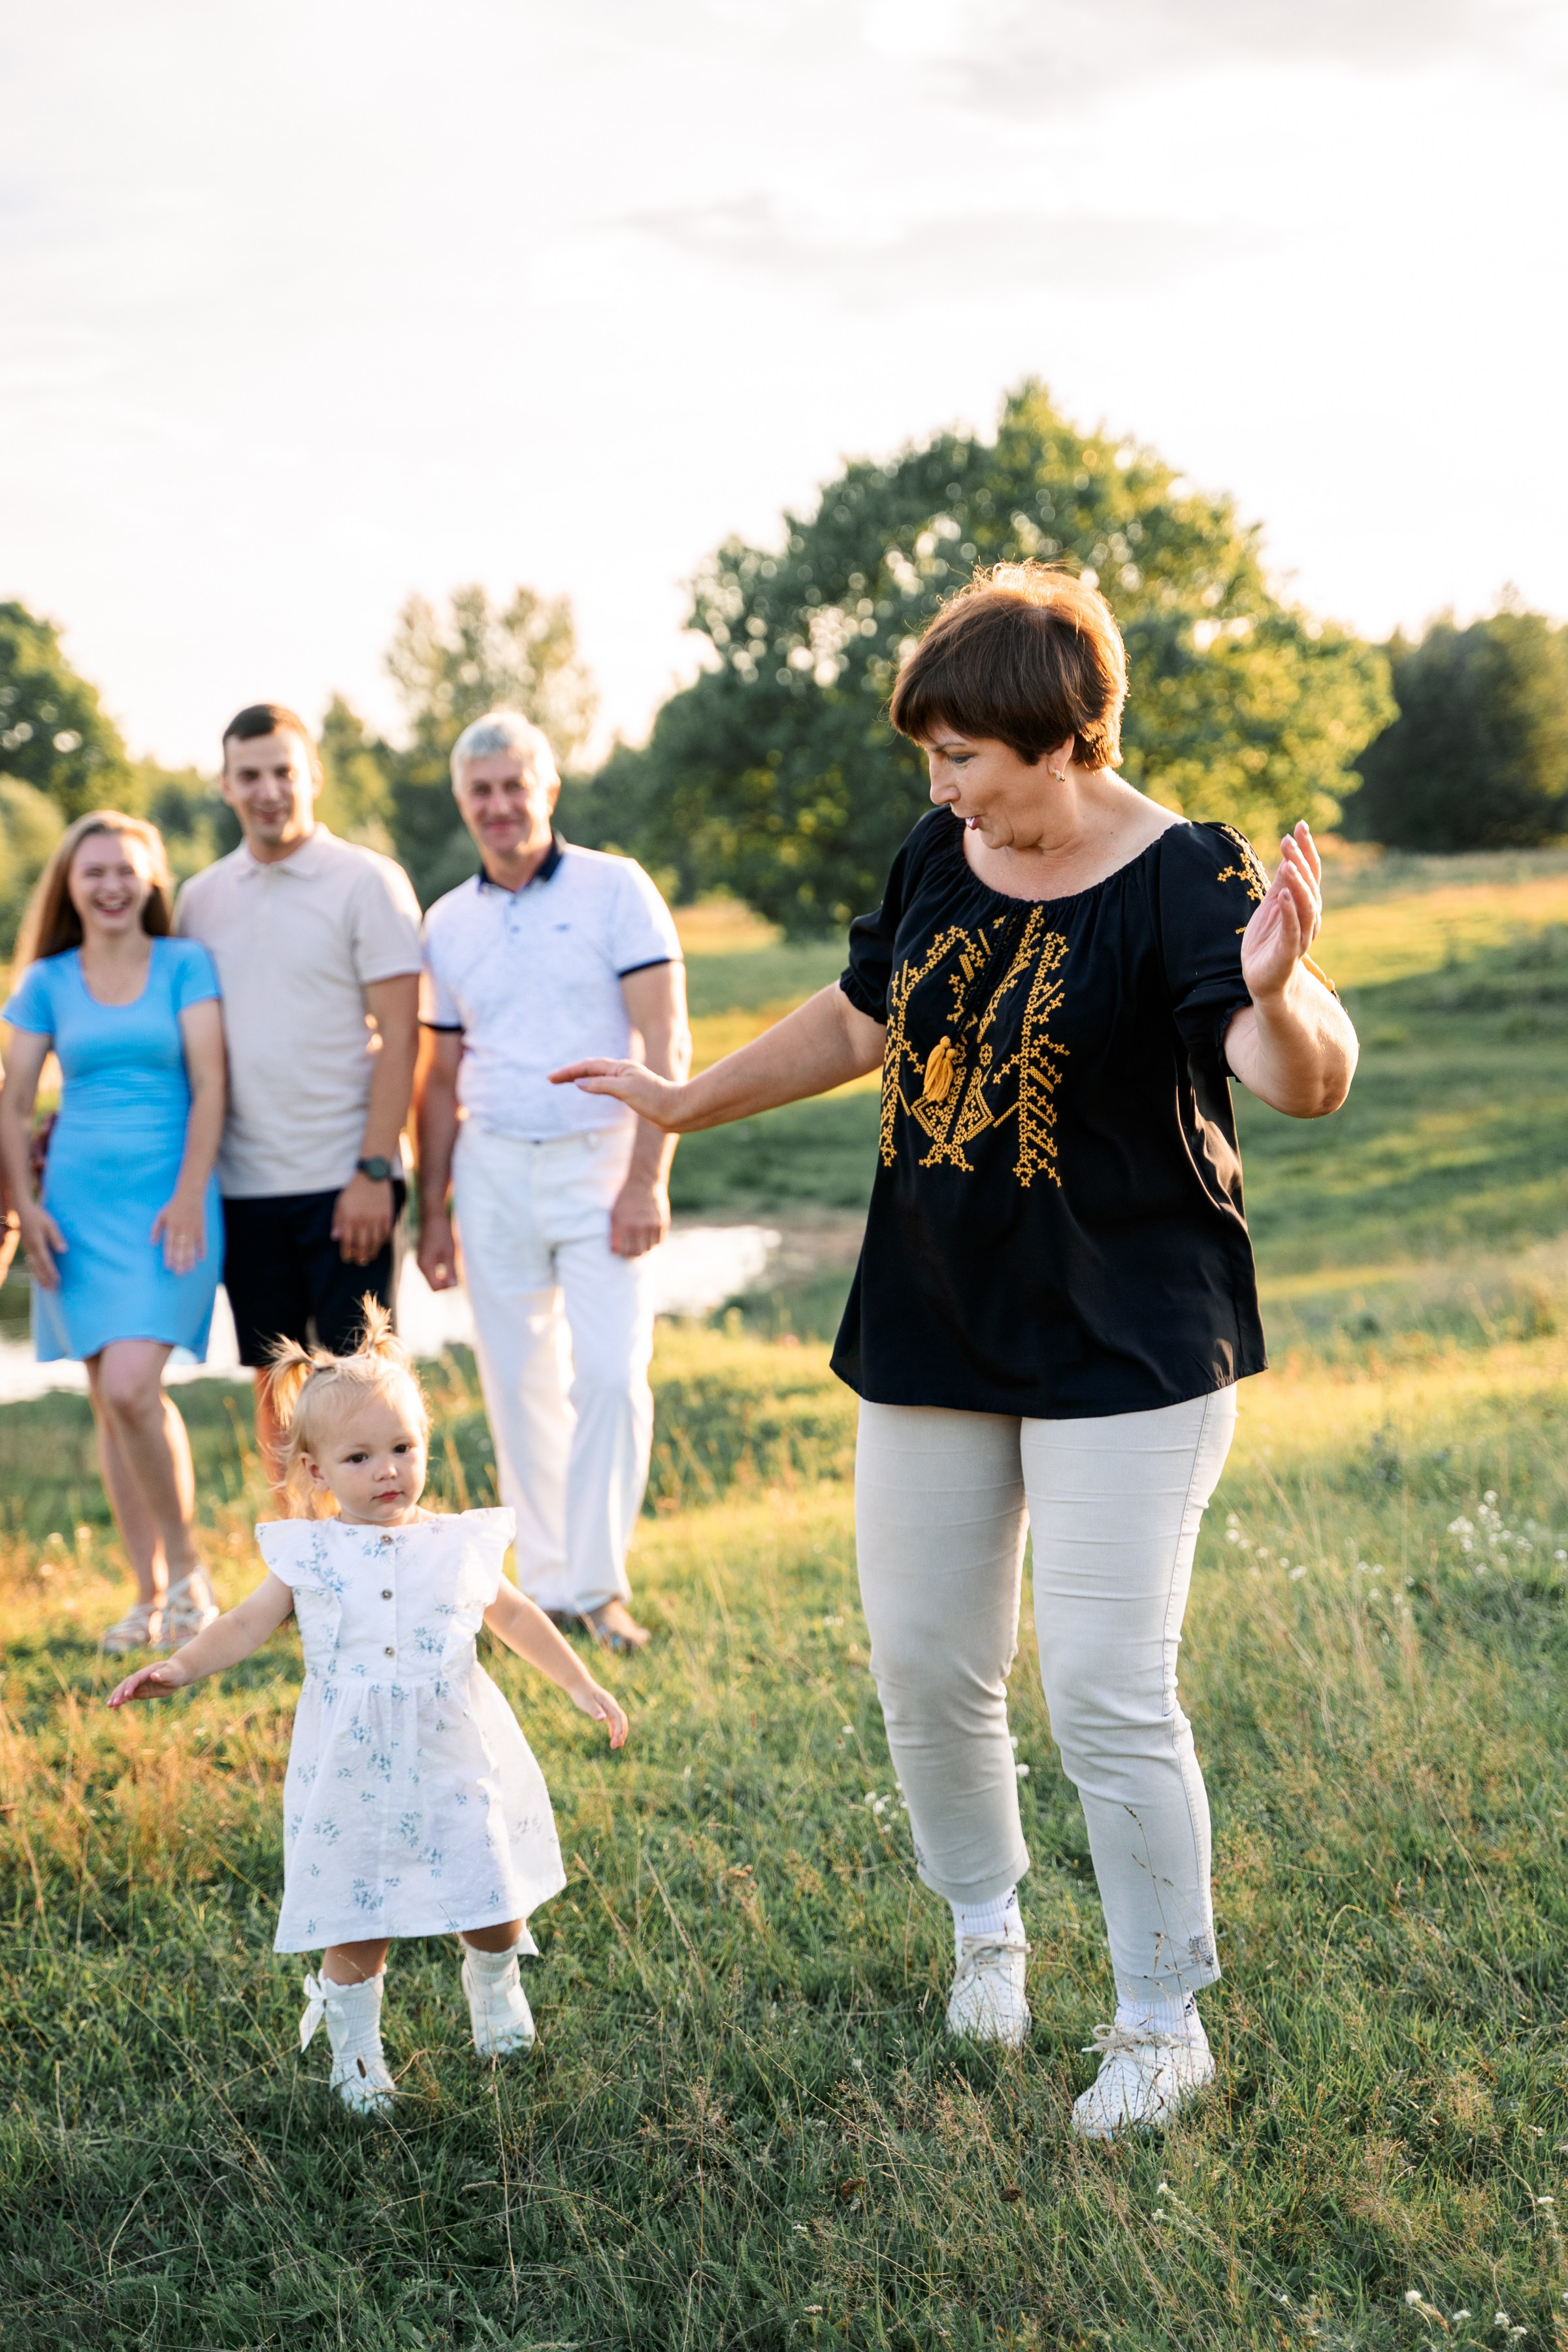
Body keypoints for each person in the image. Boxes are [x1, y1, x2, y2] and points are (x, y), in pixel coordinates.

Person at [551, 564, 1359, 2138]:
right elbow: (863, 1017)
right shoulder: (945, 847)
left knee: (1110, 1692)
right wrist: (681, 1101)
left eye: (965, 759)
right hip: (933, 1319)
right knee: (926, 1665)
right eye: (931, 761)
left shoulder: (1183, 878)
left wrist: (1283, 988)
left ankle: (1154, 2023)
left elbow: (1293, 1077)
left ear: (1063, 739)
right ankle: (985, 1930)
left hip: (1128, 1344)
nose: (942, 790)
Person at [107, 1305, 629, 2115]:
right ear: (315, 1473)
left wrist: (578, 1683)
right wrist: (181, 1666)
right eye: (359, 1457)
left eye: (403, 1449)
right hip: (349, 1763)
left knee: (488, 1890)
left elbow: (517, 1616)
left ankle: (493, 1985)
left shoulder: (458, 1542)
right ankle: (357, 2055)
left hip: (455, 1750)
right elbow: (246, 1622)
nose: (387, 1470)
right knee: (359, 1911)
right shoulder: (308, 1552)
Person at [416, 710, 689, 1654]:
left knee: (612, 1374)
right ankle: (551, 1590)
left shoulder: (619, 890)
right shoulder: (446, 921)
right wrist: (433, 1213)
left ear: (547, 789)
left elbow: (666, 1042)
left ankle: (601, 1587)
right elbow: (442, 1078)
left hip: (603, 1158)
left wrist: (648, 1179)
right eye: (480, 792)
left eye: (513, 786)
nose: (499, 806)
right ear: (464, 803)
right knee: (518, 1381)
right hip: (492, 1167)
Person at [176, 704, 423, 1486]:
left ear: (312, 776)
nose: (268, 790)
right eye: (250, 775)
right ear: (225, 785)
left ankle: (380, 1559)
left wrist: (374, 1171)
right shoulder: (200, 898)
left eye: (284, 772)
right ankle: (298, 1563)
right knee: (276, 1387)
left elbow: (402, 1035)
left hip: (348, 1178)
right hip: (246, 1187)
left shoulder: (367, 881)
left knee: (362, 1388)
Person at [0, 812, 227, 1653]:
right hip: (76, 1211)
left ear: (152, 880)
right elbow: (14, 1105)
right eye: (92, 871)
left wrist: (190, 1192)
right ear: (69, 883)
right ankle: (148, 1597)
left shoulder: (185, 966)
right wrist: (27, 1208)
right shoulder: (47, 982)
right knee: (110, 1403)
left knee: (134, 1386)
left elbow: (211, 1086)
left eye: (126, 870)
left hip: (174, 1206)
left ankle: (193, 1573)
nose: (109, 885)